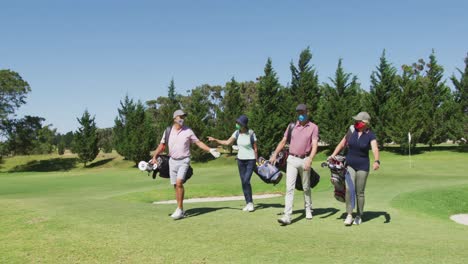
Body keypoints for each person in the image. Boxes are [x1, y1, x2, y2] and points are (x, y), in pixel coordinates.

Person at [151, 109, 220, 220]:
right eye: (180, 117)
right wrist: (154, 156)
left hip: (184, 160)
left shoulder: (188, 131)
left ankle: (179, 209)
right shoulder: (168, 131)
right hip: (172, 161)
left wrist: (210, 150)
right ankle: (180, 209)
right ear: (174, 118)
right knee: (175, 185)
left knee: (179, 183)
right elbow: (162, 146)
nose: (182, 119)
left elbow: (198, 142)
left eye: (183, 117)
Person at [270, 104, 319, 225]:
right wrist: (275, 153)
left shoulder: (313, 127)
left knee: (306, 187)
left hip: (305, 159)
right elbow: (283, 141)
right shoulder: (292, 126)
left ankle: (308, 208)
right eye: (298, 112)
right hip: (291, 159)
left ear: (308, 112)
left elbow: (315, 144)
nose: (300, 115)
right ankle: (287, 216)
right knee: (289, 188)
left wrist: (310, 159)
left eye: (302, 112)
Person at [329, 111, 380, 226]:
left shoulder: (370, 134)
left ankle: (359, 215)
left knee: (359, 192)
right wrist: (333, 155)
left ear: (365, 123)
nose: (356, 122)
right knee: (349, 189)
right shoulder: (351, 130)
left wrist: (376, 161)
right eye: (356, 121)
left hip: (363, 166)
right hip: (350, 165)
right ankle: (349, 214)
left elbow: (375, 148)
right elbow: (342, 144)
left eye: (359, 121)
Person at [208, 115, 258, 212]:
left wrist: (256, 160)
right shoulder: (236, 133)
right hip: (240, 160)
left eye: (239, 123)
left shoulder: (251, 133)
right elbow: (227, 142)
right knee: (243, 182)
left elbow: (255, 148)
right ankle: (248, 203)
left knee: (246, 181)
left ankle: (251, 203)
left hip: (251, 160)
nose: (237, 124)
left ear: (244, 125)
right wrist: (215, 140)